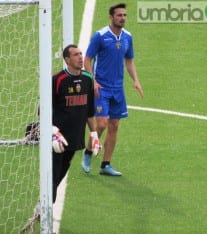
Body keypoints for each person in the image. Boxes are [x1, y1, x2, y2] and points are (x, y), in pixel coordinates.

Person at [21, 45, 101, 232]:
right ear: (66, 59)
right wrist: (53, 131)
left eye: (81, 54)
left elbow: (89, 110)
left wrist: (94, 134)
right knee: (53, 177)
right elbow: (43, 111)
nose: (80, 58)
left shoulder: (88, 79)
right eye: (75, 55)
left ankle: (41, 208)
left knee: (59, 177)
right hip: (56, 140)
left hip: (73, 140)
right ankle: (44, 214)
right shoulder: (57, 80)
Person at [81, 3, 144, 176]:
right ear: (111, 17)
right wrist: (92, 81)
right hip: (101, 88)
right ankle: (87, 153)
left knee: (114, 126)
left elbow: (129, 61)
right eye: (119, 15)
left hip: (118, 89)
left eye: (124, 15)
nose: (122, 18)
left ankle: (105, 164)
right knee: (101, 124)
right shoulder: (100, 36)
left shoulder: (127, 37)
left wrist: (136, 80)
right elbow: (87, 59)